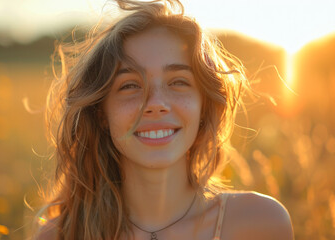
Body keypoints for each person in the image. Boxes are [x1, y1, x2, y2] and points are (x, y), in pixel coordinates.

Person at [35, 0, 294, 239]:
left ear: (203, 107)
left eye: (178, 82)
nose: (156, 103)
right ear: (102, 113)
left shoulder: (261, 224)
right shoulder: (59, 236)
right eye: (130, 85)